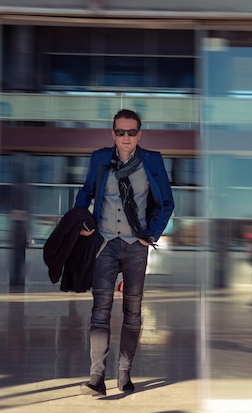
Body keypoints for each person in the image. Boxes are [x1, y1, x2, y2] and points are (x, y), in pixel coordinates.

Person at [74, 109, 175, 396]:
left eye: (132, 132)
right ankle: (96, 377)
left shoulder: (152, 160)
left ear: (139, 134)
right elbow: (85, 193)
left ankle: (124, 372)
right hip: (104, 243)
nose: (126, 137)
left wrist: (151, 234)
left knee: (132, 313)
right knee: (100, 312)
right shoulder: (100, 158)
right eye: (121, 132)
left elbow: (166, 203)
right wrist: (81, 219)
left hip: (135, 246)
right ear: (113, 133)